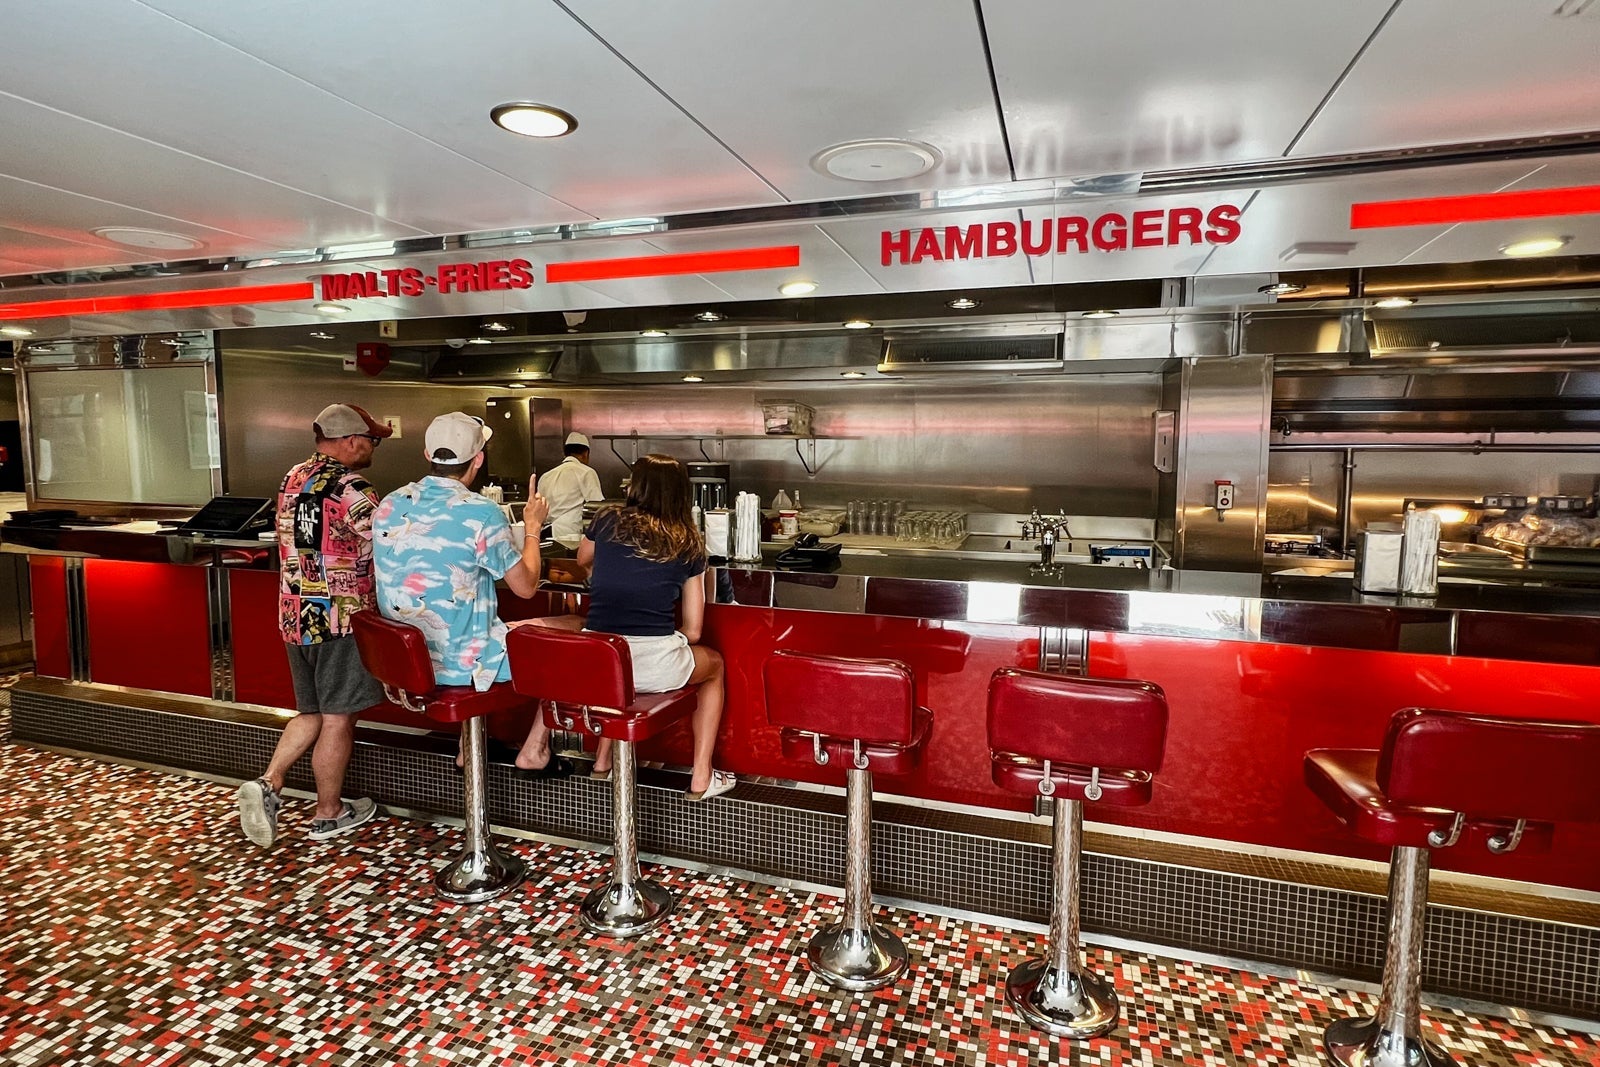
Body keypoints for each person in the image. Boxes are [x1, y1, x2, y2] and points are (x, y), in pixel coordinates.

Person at [371, 411, 572, 779]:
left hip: (404, 663)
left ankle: (470, 746)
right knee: (574, 634)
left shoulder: (389, 504)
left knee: (473, 625)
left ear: (427, 454)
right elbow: (526, 587)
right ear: (478, 460)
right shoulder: (482, 513)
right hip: (463, 666)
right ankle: (535, 750)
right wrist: (532, 527)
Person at [237, 402, 392, 849]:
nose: (373, 447)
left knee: (312, 711)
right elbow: (389, 540)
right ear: (351, 440)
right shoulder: (351, 486)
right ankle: (328, 813)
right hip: (341, 616)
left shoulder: (293, 477)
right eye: (372, 440)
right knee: (338, 717)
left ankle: (269, 781)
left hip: (295, 615)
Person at [576, 453, 732, 801]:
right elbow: (694, 630)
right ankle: (702, 776)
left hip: (597, 662)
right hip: (652, 666)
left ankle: (602, 763)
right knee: (715, 666)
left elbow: (582, 558)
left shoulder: (606, 519)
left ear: (635, 486)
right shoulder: (688, 540)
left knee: (615, 677)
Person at [536, 431, 605, 545]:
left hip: (545, 533)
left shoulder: (546, 476)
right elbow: (597, 506)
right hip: (570, 535)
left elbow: (539, 508)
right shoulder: (586, 472)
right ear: (586, 453)